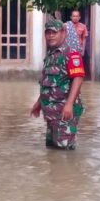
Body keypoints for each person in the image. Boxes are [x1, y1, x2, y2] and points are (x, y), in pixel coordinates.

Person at [31, 17, 86, 150]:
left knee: (64, 154)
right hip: (51, 113)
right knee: (52, 151)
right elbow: (47, 82)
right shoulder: (51, 54)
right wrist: (39, 103)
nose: (50, 36)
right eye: (48, 33)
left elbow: (78, 78)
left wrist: (69, 104)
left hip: (64, 113)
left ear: (63, 33)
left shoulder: (71, 53)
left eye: (54, 33)